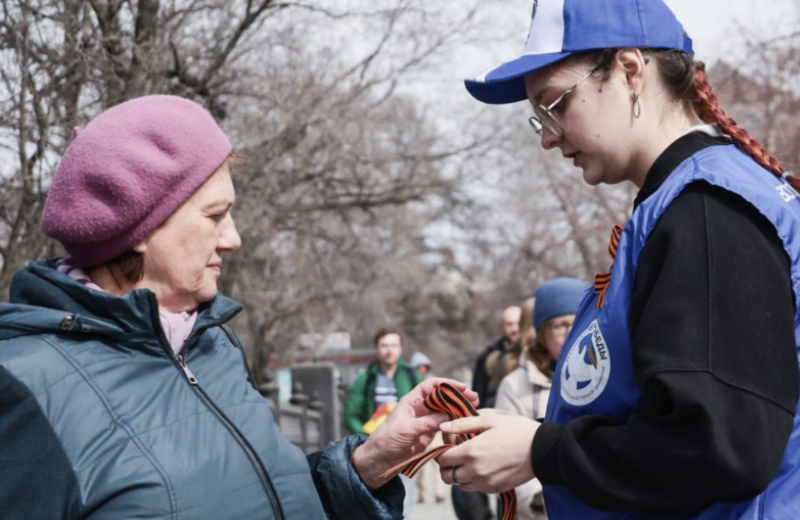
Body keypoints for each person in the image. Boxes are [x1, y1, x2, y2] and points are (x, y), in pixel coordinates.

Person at [0, 94, 479, 520]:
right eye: (214, 216)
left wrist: (368, 465)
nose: (233, 238)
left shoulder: (214, 343)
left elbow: (260, 497)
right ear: (143, 228)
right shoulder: (24, 385)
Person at [437, 0, 800, 518]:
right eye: (537, 116)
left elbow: (721, 444)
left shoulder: (705, 210)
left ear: (630, 70)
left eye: (556, 104)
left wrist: (542, 451)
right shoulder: (682, 201)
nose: (546, 135)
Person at [495, 278, 590, 520]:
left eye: (578, 321)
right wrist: (540, 500)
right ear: (542, 332)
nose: (571, 331)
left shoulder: (609, 379)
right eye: (559, 325)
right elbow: (505, 453)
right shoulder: (515, 386)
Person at [344, 327, 425, 518]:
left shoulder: (413, 376)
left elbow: (426, 409)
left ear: (401, 348)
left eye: (394, 345)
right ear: (376, 348)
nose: (389, 350)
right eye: (384, 345)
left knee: (405, 504)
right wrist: (365, 435)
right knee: (374, 505)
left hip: (406, 449)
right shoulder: (365, 379)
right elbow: (350, 414)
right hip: (374, 448)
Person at [455, 305, 522, 520]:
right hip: (489, 427)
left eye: (518, 324)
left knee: (510, 486)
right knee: (473, 485)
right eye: (510, 324)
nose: (514, 329)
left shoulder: (532, 354)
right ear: (503, 326)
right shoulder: (488, 356)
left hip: (519, 428)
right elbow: (476, 394)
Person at [411, 351, 447, 504]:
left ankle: (439, 492)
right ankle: (422, 493)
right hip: (419, 428)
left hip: (436, 427)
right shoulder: (410, 384)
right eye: (418, 367)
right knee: (421, 463)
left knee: (438, 459)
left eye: (424, 367)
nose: (422, 370)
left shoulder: (434, 383)